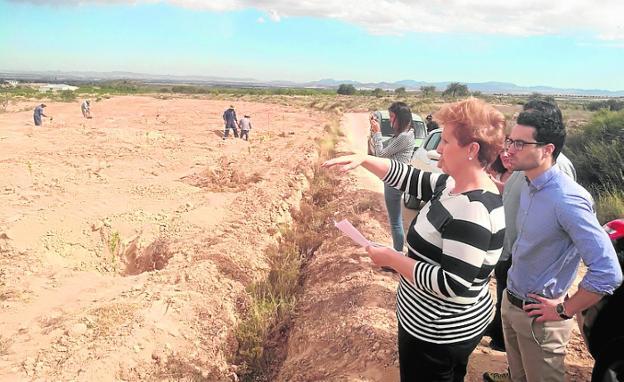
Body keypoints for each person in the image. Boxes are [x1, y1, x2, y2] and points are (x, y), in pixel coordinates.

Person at [323, 98, 506, 381]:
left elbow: (452, 283)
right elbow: (410, 177)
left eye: (445, 141)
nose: (438, 149)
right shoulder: (451, 184)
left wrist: (392, 259)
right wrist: (364, 160)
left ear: (471, 150)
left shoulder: (473, 210)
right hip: (433, 323)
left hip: (438, 333)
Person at [488, 100, 622, 382]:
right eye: (510, 141)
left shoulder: (568, 199)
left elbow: (608, 272)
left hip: (540, 321)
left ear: (547, 150)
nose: (510, 150)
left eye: (520, 144)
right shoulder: (527, 182)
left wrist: (563, 310)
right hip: (511, 305)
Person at [368, 101, 416, 253]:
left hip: (394, 182)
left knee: (395, 221)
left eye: (392, 117)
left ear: (400, 118)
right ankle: (397, 252)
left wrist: (377, 133)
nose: (389, 120)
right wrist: (375, 133)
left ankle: (397, 254)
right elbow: (381, 149)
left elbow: (380, 154)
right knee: (395, 220)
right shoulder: (404, 135)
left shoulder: (404, 137)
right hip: (395, 180)